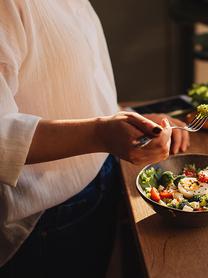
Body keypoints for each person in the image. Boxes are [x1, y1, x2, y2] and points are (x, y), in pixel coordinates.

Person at [0, 1, 190, 277]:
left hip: (103, 180)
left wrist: (136, 120)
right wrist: (100, 133)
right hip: (47, 219)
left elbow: (71, 87)